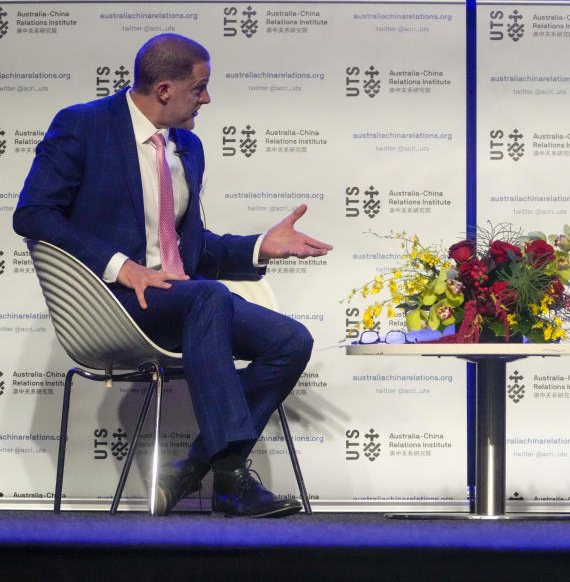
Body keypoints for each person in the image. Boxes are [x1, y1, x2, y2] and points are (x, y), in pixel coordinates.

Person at [13, 33, 333, 518]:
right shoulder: (83, 126)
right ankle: (229, 481)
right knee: (208, 298)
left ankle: (193, 471)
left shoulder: (188, 148)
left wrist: (257, 246)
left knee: (289, 340)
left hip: (184, 299)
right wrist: (123, 266)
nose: (207, 98)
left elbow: (190, 251)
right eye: (200, 87)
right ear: (164, 89)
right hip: (114, 300)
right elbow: (33, 213)